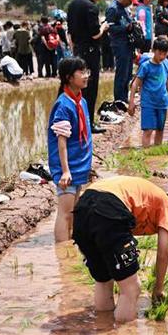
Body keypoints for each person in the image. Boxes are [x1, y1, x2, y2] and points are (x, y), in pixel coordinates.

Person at [72, 176, 168, 323]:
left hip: (82, 209)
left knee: (103, 280)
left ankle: (103, 331)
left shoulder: (144, 196)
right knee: (131, 288)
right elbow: (163, 251)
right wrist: (158, 289)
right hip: (109, 209)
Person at [47, 57, 93, 242]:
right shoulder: (63, 105)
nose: (86, 76)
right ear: (69, 77)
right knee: (65, 213)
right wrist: (65, 170)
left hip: (79, 164)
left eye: (86, 71)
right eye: (81, 72)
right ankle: (62, 254)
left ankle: (70, 247)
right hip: (68, 166)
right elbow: (61, 141)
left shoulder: (80, 101)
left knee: (74, 210)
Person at [68, 0, 110, 134]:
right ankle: (88, 123)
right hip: (90, 52)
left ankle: (78, 122)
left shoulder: (72, 5)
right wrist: (104, 27)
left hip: (78, 51)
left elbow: (71, 33)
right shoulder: (91, 7)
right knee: (90, 88)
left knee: (77, 88)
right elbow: (95, 33)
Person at [129, 38, 168, 147]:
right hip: (148, 103)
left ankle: (157, 153)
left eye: (165, 54)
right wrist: (131, 102)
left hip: (162, 103)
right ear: (153, 51)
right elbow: (135, 84)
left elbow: (167, 84)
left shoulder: (166, 64)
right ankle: (145, 154)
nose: (162, 57)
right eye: (159, 53)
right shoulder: (146, 66)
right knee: (148, 130)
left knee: (160, 130)